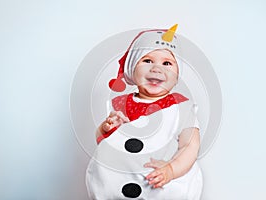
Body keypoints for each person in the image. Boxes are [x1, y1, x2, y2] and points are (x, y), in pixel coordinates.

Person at [86, 24, 203, 199]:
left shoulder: (181, 107)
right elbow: (101, 142)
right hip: (117, 186)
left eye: (167, 63)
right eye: (147, 61)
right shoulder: (120, 104)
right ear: (133, 68)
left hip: (159, 186)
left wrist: (171, 170)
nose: (157, 68)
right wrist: (106, 129)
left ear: (177, 74)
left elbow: (190, 147)